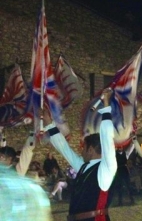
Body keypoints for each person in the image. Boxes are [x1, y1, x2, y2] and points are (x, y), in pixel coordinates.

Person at [43, 88, 117, 221]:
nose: (81, 151)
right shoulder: (84, 167)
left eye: (84, 148)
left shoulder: (106, 170)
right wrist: (49, 124)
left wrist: (106, 105)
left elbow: (107, 138)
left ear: (91, 149)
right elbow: (64, 149)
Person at [112, 139, 135, 206]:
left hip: (124, 170)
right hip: (118, 170)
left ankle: (132, 199)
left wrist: (133, 143)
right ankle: (120, 201)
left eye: (121, 147)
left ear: (122, 147)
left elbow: (130, 149)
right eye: (118, 147)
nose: (120, 148)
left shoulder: (126, 153)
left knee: (128, 185)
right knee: (120, 186)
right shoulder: (114, 154)